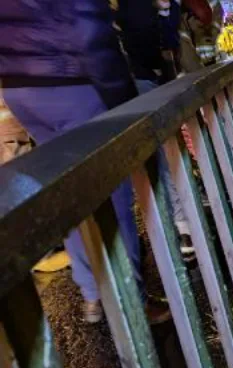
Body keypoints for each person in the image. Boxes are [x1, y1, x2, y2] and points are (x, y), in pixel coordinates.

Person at [0, 0, 170, 324]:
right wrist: (122, 100)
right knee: (111, 188)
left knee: (67, 191)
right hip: (73, 84)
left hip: (22, 88)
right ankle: (130, 300)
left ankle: (93, 295)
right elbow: (88, 29)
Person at [116, 0, 195, 259]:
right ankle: (181, 226)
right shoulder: (137, 8)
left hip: (153, 75)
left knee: (165, 150)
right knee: (165, 150)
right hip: (146, 77)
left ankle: (180, 224)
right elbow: (144, 35)